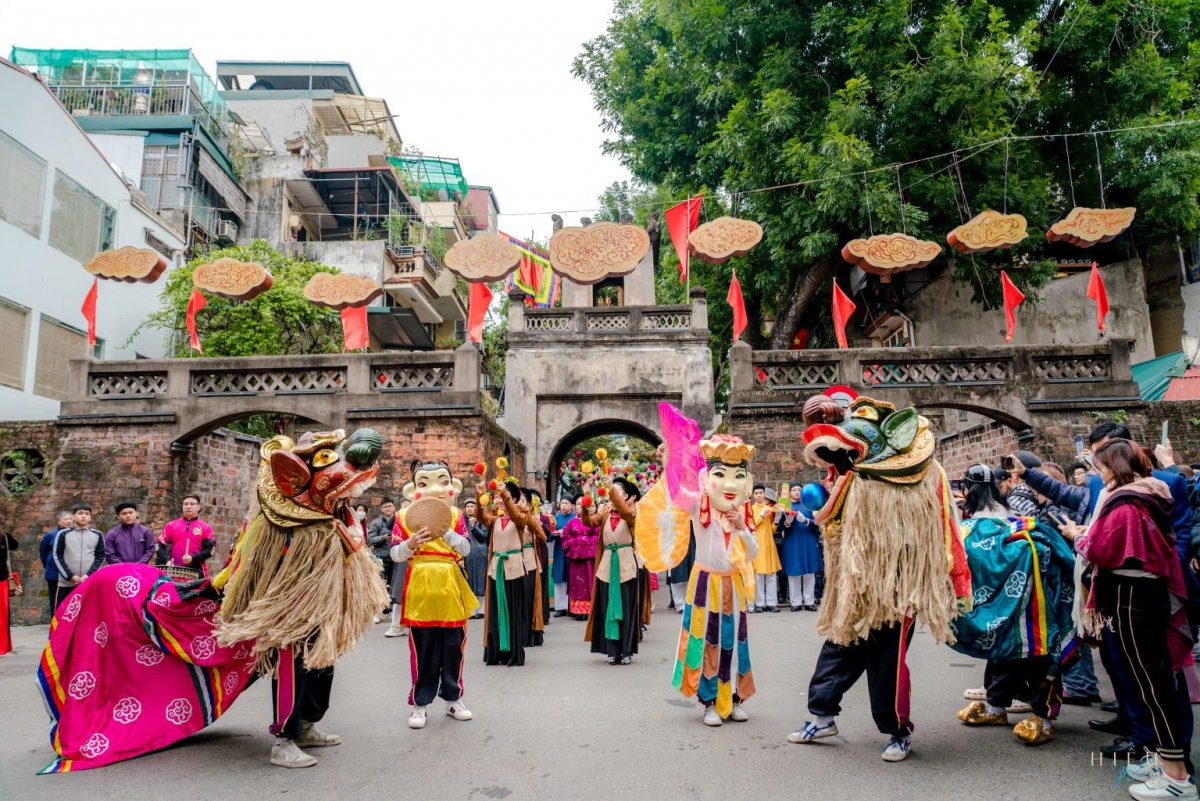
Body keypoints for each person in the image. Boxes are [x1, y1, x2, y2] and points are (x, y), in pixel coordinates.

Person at [790, 394, 969, 762]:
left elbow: (945, 528)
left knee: (887, 663)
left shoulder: (920, 477)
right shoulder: (847, 479)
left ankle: (896, 731)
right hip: (856, 587)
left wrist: (956, 578)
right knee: (838, 649)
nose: (835, 463)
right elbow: (830, 519)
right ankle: (823, 717)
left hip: (898, 586)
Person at [1060, 439, 1197, 800]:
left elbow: (1104, 549)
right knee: (1153, 683)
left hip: (1133, 597)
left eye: (1101, 466)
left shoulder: (1127, 503)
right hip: (1140, 596)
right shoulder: (1149, 494)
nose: (1097, 472)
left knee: (1154, 685)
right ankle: (1165, 761)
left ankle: (1176, 777)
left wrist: (1078, 535)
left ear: (1116, 467)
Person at [647, 417, 760, 727]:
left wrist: (743, 530)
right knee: (706, 640)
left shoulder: (743, 512)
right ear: (708, 478)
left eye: (738, 476)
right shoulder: (700, 505)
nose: (730, 484)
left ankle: (734, 698)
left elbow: (753, 553)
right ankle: (709, 702)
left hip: (733, 582)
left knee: (735, 641)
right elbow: (676, 495)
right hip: (705, 582)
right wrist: (669, 462)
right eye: (721, 474)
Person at [952, 465, 1075, 746]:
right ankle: (996, 706)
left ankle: (1042, 717)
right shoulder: (1012, 524)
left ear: (969, 491)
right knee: (1002, 652)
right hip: (1013, 606)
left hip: (1033, 606)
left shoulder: (972, 530)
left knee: (1036, 652)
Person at [391, 461, 478, 729]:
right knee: (423, 648)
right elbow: (396, 553)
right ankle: (420, 703)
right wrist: (409, 544)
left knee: (453, 646)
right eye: (423, 483)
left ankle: (453, 698)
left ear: (453, 487)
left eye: (442, 481)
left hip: (450, 583)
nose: (434, 488)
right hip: (420, 584)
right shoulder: (403, 518)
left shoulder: (456, 516)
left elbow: (465, 549)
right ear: (411, 490)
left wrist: (446, 531)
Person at [583, 477, 644, 664]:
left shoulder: (632, 514)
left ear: (626, 496)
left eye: (617, 492)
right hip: (607, 565)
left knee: (626, 608)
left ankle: (626, 651)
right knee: (607, 607)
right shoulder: (605, 514)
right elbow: (588, 521)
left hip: (625, 565)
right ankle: (612, 650)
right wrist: (586, 499)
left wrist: (611, 489)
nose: (612, 495)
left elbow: (624, 511)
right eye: (612, 492)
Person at [476, 481, 531, 666]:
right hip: (496, 569)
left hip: (514, 569)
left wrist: (506, 495)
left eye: (503, 496)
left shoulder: (521, 517)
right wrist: (480, 497)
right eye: (498, 497)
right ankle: (497, 651)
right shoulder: (495, 520)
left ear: (513, 499)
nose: (499, 500)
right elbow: (480, 516)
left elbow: (517, 516)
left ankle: (514, 652)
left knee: (513, 611)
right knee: (496, 611)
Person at [777, 483, 822, 611]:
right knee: (793, 572)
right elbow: (778, 527)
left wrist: (806, 521)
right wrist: (786, 522)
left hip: (808, 539)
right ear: (790, 492)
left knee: (809, 572)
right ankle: (795, 602)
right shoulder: (785, 505)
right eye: (794, 490)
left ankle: (809, 601)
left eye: (799, 490)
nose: (797, 492)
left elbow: (819, 522)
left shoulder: (810, 504)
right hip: (792, 540)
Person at [52, 503, 104, 610]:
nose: (83, 516)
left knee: (88, 612)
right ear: (74, 516)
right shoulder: (63, 534)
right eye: (80, 513)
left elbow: (100, 556)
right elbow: (57, 556)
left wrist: (89, 575)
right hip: (67, 583)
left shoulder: (97, 534)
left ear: (90, 517)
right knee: (63, 612)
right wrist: (69, 576)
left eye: (87, 514)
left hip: (88, 581)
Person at [156, 495, 215, 578]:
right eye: (185, 504)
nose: (188, 507)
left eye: (192, 504)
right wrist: (167, 560)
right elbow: (159, 545)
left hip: (195, 572)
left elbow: (210, 550)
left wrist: (193, 558)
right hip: (174, 569)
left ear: (198, 507)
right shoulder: (171, 525)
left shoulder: (205, 527)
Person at [561, 496, 600, 620]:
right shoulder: (571, 522)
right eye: (578, 504)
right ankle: (577, 611)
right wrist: (580, 542)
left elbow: (598, 537)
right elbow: (565, 538)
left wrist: (581, 542)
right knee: (576, 584)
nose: (580, 506)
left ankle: (592, 609)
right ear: (574, 507)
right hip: (576, 561)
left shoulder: (594, 521)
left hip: (590, 561)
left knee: (591, 583)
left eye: (582, 504)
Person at [749, 484, 782, 613]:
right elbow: (751, 526)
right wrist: (761, 516)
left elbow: (772, 529)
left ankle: (772, 603)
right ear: (753, 495)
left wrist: (777, 520)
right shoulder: (751, 509)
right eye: (756, 493)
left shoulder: (770, 509)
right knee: (758, 576)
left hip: (768, 544)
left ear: (764, 494)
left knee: (771, 575)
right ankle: (759, 603)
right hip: (757, 544)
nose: (759, 495)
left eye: (761, 493)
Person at [369, 499, 398, 629]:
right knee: (380, 585)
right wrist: (384, 537)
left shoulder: (399, 521)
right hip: (381, 557)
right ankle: (377, 612)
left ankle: (389, 610)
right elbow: (371, 539)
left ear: (394, 507)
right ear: (381, 509)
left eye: (390, 506)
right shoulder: (376, 523)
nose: (387, 509)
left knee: (394, 585)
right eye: (385, 507)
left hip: (396, 557)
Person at [39, 512, 71, 617]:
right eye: (66, 519)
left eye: (71, 519)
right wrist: (48, 565)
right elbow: (43, 552)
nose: (69, 521)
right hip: (54, 572)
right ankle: (55, 623)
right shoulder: (51, 535)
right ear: (59, 521)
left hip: (71, 573)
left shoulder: (73, 534)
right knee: (55, 600)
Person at [462, 499, 489, 618]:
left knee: (481, 581)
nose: (469, 508)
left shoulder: (482, 521)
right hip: (468, 555)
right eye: (467, 506)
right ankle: (472, 610)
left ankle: (481, 610)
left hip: (481, 554)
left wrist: (474, 526)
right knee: (470, 581)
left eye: (472, 506)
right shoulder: (462, 522)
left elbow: (484, 536)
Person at [551, 497, 576, 617]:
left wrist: (565, 533)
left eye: (566, 503)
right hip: (559, 550)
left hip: (571, 550)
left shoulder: (575, 518)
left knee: (571, 578)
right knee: (559, 577)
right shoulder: (556, 518)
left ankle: (571, 606)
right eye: (562, 503)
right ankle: (560, 607)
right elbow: (549, 536)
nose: (563, 506)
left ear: (572, 506)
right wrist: (554, 533)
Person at [1, 529, 18, 655]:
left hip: (1, 579)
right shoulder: (3, 535)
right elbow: (15, 545)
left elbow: (14, 545)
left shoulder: (3, 535)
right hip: (1, 579)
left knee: (2, 614)